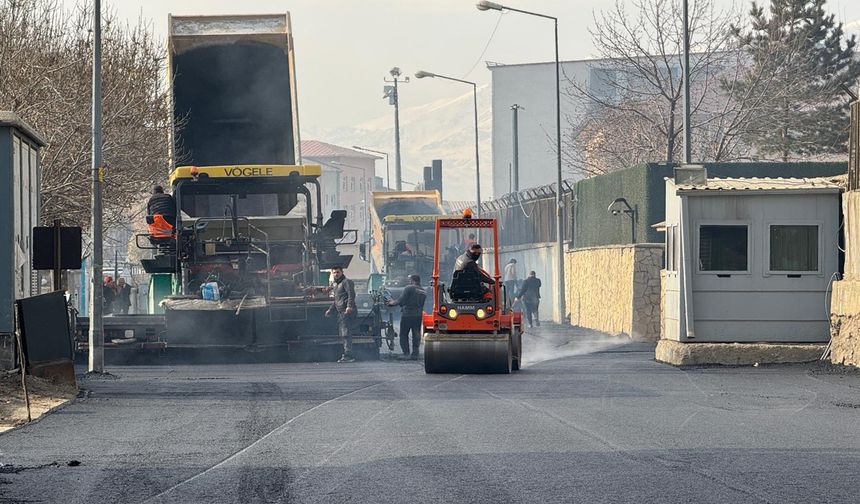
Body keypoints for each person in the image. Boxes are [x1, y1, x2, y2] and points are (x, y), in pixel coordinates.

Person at [388, 274, 427, 360]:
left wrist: (391, 303)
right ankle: (415, 354)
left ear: (412, 280)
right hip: (418, 315)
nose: (409, 281)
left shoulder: (409, 288)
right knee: (416, 334)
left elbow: (401, 300)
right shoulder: (423, 291)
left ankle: (406, 353)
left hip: (407, 314)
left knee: (403, 334)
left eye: (410, 280)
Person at [325, 266, 357, 363]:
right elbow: (336, 300)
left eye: (338, 272)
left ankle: (349, 355)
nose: (336, 274)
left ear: (342, 272)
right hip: (340, 312)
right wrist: (330, 310)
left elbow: (351, 295)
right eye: (334, 272)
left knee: (346, 333)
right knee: (343, 334)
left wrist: (349, 306)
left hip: (346, 311)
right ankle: (347, 354)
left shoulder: (346, 282)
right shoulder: (335, 284)